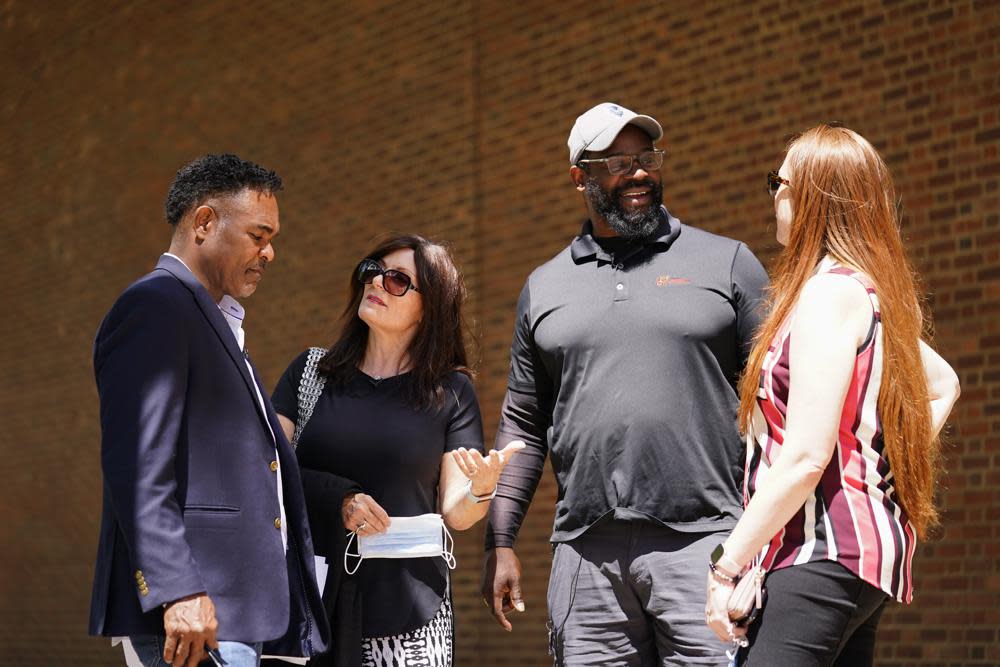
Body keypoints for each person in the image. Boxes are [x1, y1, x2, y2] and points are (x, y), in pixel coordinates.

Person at [480, 102, 770, 666]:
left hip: (709, 545)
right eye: (616, 161)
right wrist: (500, 541)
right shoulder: (544, 287)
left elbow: (779, 399)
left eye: (647, 158)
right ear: (579, 177)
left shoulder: (728, 263)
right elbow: (522, 424)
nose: (638, 172)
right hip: (588, 556)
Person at [704, 125, 961, 665]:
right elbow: (943, 386)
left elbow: (803, 458)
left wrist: (725, 564)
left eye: (780, 181)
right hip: (856, 558)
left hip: (821, 554)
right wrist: (880, 464)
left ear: (812, 196)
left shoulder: (828, 293)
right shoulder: (861, 291)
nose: (773, 193)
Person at [89, 154, 330, 667]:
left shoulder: (211, 320)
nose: (270, 253)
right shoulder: (155, 306)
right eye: (258, 235)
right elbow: (137, 465)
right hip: (196, 615)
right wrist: (177, 588)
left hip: (237, 614)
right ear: (204, 223)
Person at [271, 234, 523, 667]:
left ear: (431, 307)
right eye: (372, 271)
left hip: (411, 615)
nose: (376, 283)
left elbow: (456, 512)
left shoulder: (451, 392)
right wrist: (339, 499)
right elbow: (266, 468)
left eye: (397, 280)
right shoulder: (311, 373)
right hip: (309, 603)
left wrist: (481, 490)